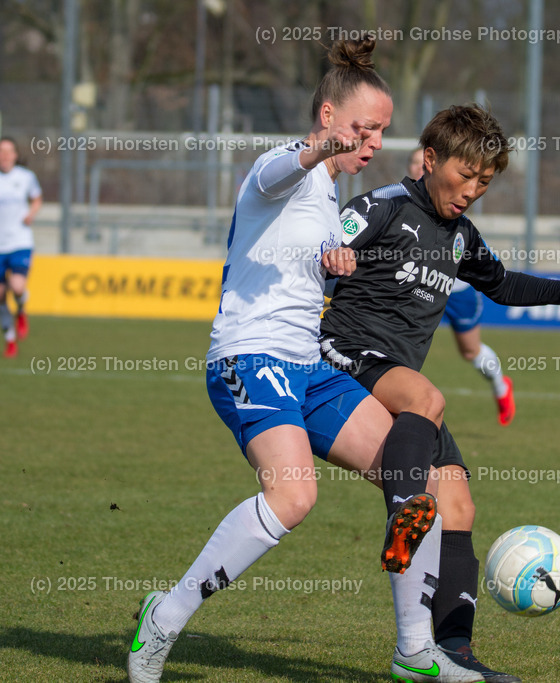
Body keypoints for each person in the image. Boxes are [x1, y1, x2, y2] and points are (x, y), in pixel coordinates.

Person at [128, 39, 483, 683]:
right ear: (326, 118)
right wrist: (325, 148)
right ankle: (166, 615)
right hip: (249, 356)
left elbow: (316, 260)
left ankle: (414, 649)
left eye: (381, 132)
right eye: (363, 128)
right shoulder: (280, 168)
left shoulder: (329, 204)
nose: (373, 143)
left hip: (308, 366)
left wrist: (336, 261)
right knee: (294, 496)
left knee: (420, 481)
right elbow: (280, 172)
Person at [319, 104, 560, 681]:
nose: (471, 192)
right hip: (347, 354)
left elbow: (505, 282)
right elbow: (323, 245)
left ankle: (455, 657)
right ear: (432, 160)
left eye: (483, 184)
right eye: (464, 177)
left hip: (398, 379)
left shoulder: (460, 236)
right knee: (427, 398)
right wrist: (330, 255)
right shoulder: (383, 206)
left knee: (459, 504)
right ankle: (402, 517)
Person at [408, 147, 515, 425]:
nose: (421, 168)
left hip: (456, 291)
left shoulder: (454, 207)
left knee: (470, 351)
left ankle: (501, 387)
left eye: (424, 163)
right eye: (416, 164)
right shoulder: (397, 204)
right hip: (414, 288)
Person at [0, 137, 43, 358]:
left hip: (19, 242)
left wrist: (31, 214)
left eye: (8, 151)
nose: (5, 156)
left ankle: (21, 311)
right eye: (1, 151)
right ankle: (10, 341)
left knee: (17, 287)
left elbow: (37, 198)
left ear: (16, 155)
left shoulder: (26, 178)